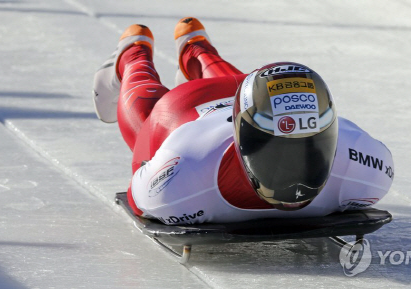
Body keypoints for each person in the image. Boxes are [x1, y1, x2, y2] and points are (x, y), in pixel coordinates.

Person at [93, 17, 394, 225]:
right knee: (148, 117)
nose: (295, 175)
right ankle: (132, 55)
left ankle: (194, 48)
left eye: (311, 148)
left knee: (244, 87)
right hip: (180, 113)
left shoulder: (177, 188)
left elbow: (140, 200)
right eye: (276, 150)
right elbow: (138, 195)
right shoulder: (367, 171)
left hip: (234, 99)